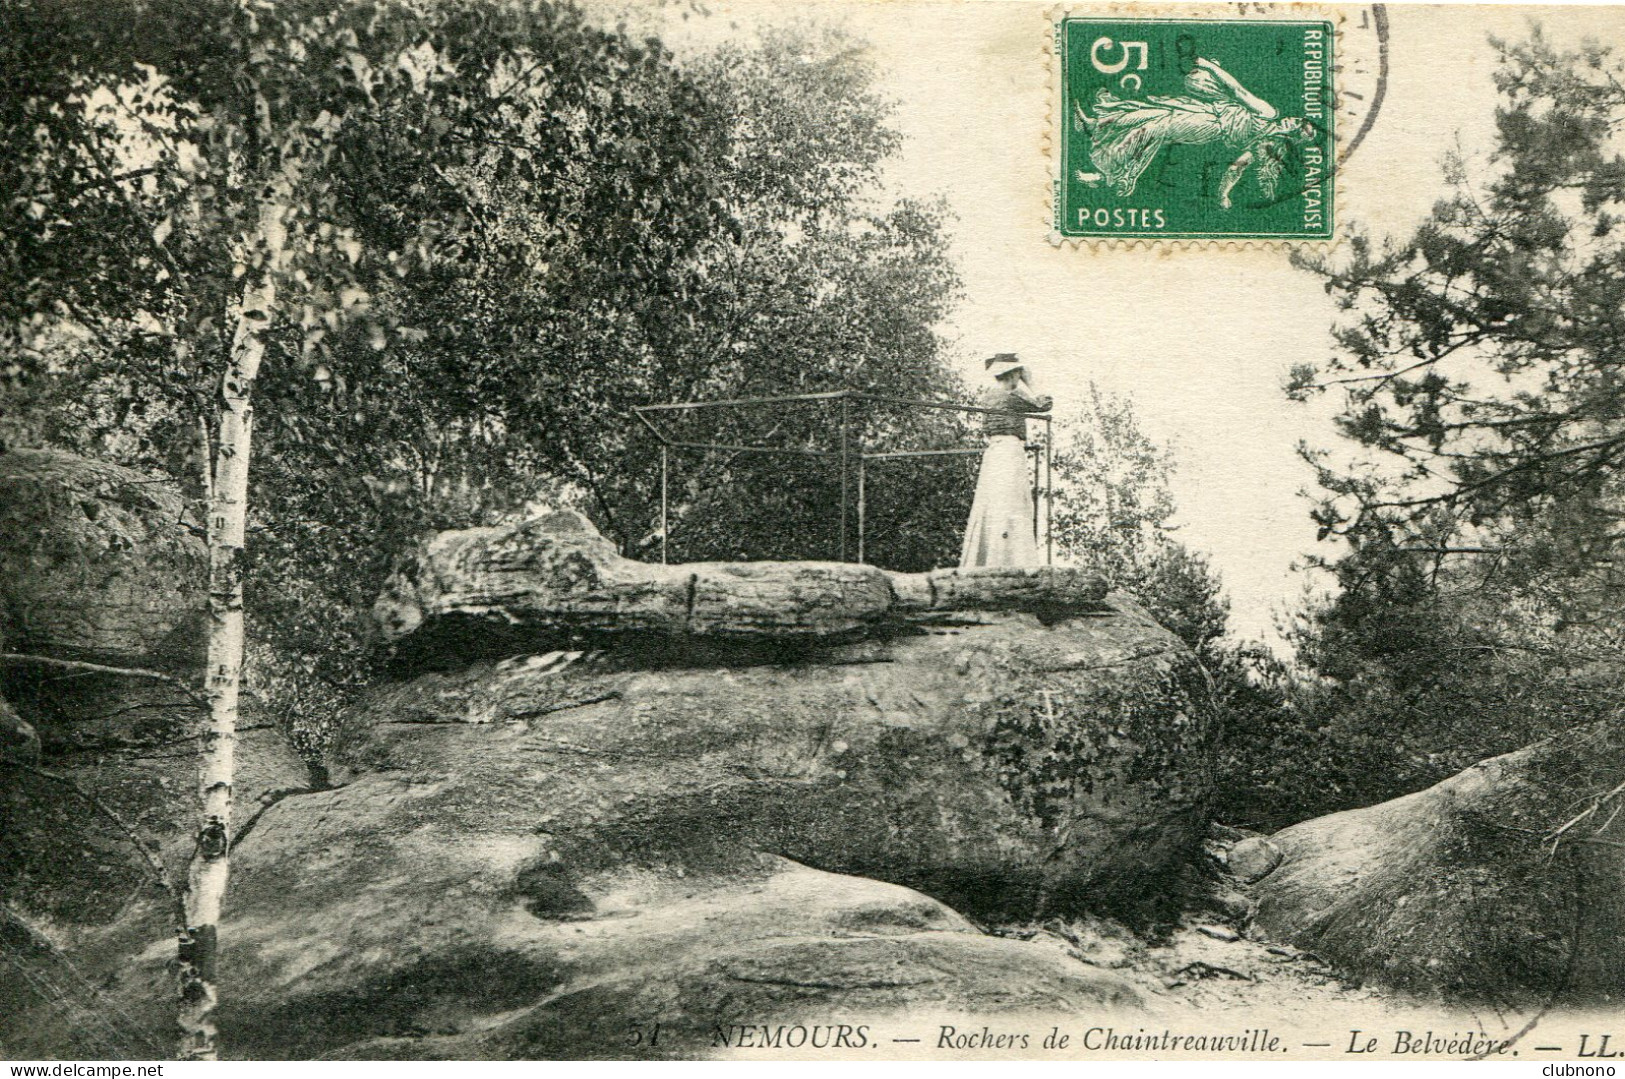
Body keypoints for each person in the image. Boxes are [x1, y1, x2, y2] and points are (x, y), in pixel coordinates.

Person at [1073, 45, 1318, 208]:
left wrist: (1223, 194)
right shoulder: (1269, 125)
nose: (1292, 120)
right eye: (1296, 119)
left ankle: (1110, 174)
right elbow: (1235, 97)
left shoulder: (1267, 125)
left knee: (1155, 127)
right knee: (1148, 112)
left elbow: (1238, 94)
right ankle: (1095, 124)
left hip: (1208, 125)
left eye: (1296, 124)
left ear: (1292, 134)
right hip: (1206, 111)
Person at [960, 354, 1051, 569]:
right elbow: (1045, 404)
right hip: (1010, 451)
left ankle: (989, 559)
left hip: (994, 451)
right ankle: (1012, 562)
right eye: (1019, 374)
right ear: (1013, 375)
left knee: (994, 502)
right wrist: (1032, 384)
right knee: (1012, 502)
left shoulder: (989, 396)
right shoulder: (1012, 397)